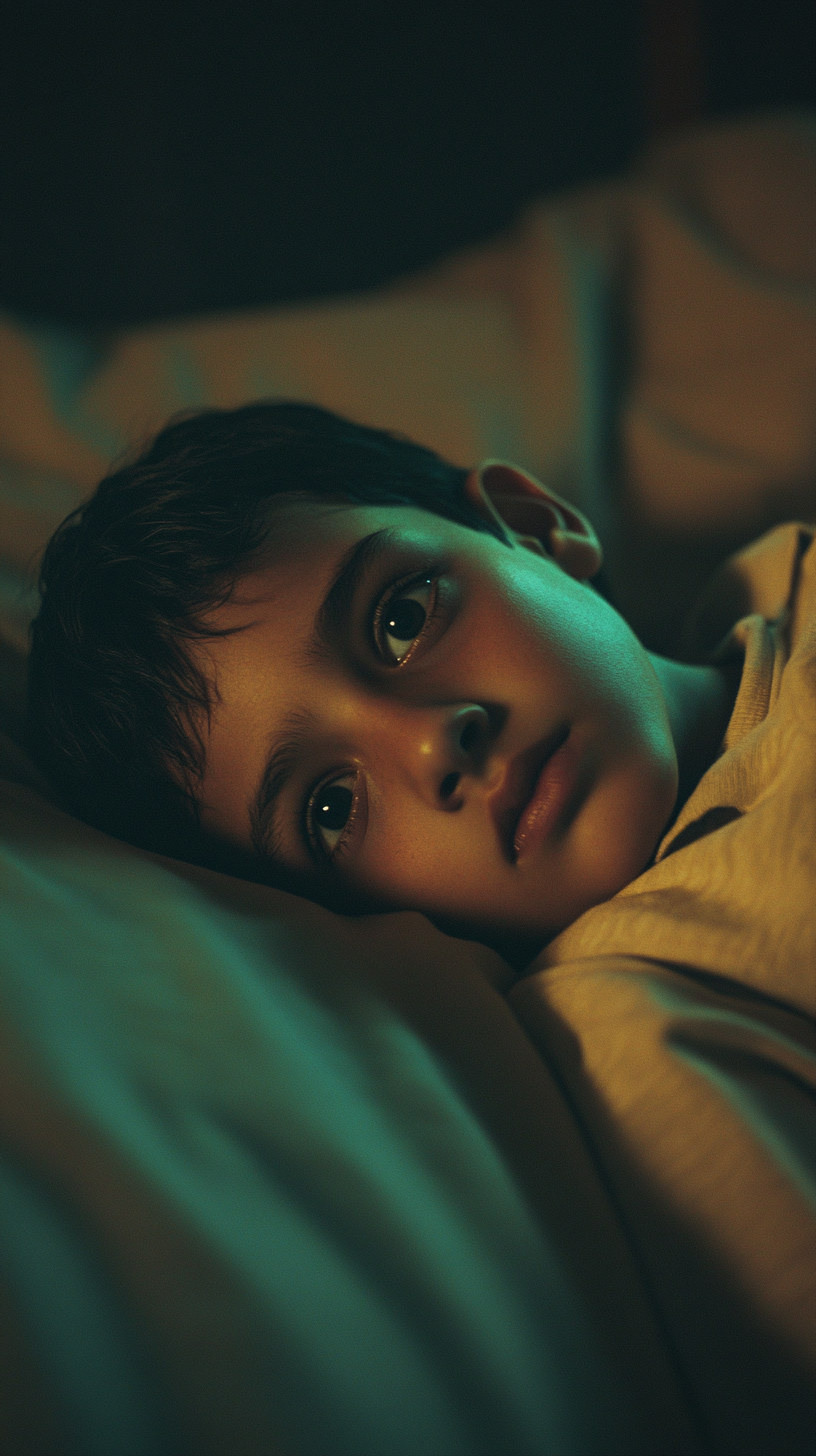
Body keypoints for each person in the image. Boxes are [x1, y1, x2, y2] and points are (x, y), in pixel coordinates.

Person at [27, 399, 780, 966]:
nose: (430, 743)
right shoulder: (658, 1031)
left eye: (403, 619)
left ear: (534, 525)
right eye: (330, 808)